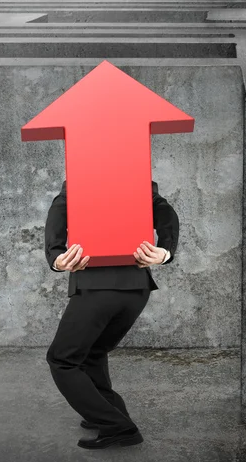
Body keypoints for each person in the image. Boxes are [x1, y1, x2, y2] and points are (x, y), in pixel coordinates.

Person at [44, 179, 179, 449]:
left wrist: (56, 255)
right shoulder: (137, 182)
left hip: (98, 288)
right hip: (137, 288)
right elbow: (165, 211)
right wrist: (165, 251)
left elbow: (57, 213)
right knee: (92, 352)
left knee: (63, 360)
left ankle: (118, 428)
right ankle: (108, 413)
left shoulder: (78, 183)